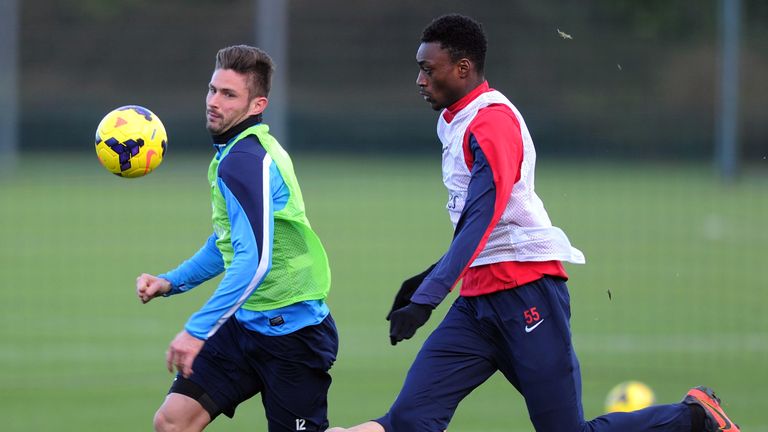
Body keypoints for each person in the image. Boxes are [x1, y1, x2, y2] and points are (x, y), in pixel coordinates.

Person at [327, 14, 738, 432]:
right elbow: (476, 222)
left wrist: (429, 295)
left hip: (527, 295)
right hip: (477, 304)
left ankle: (695, 417)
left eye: (427, 69)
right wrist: (427, 279)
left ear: (463, 68)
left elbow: (482, 218)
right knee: (410, 421)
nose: (419, 79)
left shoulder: (492, 122)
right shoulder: (453, 121)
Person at [136, 45, 338, 432]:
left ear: (256, 104)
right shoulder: (234, 153)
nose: (214, 102)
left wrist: (196, 330)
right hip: (246, 325)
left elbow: (254, 260)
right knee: (172, 422)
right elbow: (226, 243)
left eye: (228, 95)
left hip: (293, 335)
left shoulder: (245, 162)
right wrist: (170, 282)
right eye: (213, 90)